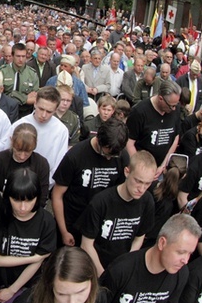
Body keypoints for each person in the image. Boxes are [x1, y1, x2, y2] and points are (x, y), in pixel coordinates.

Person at [0, 168, 56, 303]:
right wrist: (34, 258)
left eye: (29, 200)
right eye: (16, 200)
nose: (22, 207)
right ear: (7, 196)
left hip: (27, 284)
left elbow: (37, 264)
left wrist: (12, 290)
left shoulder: (46, 221)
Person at [101, 214, 200, 303]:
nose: (185, 260)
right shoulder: (121, 269)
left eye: (190, 253)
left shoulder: (181, 273)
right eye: (181, 252)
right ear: (162, 243)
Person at [51, 118, 129, 247]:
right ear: (98, 139)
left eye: (113, 156)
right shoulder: (75, 156)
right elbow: (57, 195)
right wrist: (64, 231)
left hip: (100, 223)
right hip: (73, 221)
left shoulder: (121, 156)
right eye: (105, 153)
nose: (109, 158)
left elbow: (119, 191)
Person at [79, 150, 157, 278]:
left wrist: (125, 265)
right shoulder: (101, 202)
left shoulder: (147, 201)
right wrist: (104, 276)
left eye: (147, 183)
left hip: (122, 269)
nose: (141, 189)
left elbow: (139, 237)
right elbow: (86, 244)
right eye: (138, 181)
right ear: (127, 172)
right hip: (95, 267)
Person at [4, 246, 107, 303]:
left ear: (92, 281)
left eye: (81, 291)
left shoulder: (98, 298)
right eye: (61, 294)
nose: (72, 302)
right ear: (49, 285)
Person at [11, 86, 70, 185]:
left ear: (55, 110)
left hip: (45, 183)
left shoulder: (61, 130)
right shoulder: (19, 125)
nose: (43, 115)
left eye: (49, 112)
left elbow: (59, 163)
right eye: (41, 109)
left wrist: (45, 183)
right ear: (35, 104)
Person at [125, 80, 182, 178]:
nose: (173, 109)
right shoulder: (139, 112)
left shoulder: (175, 110)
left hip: (160, 168)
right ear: (160, 98)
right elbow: (129, 143)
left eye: (175, 105)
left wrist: (163, 165)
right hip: (140, 169)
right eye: (171, 106)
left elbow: (175, 138)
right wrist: (141, 168)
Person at [0, 123, 50, 205]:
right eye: (18, 150)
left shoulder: (41, 164)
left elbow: (42, 197)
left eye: (28, 152)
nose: (22, 157)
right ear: (11, 140)